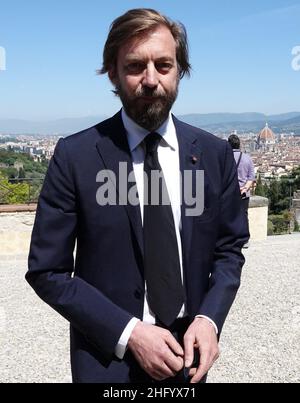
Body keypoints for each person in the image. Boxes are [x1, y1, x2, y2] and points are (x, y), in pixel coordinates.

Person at [26, 8, 249, 383]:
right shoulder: (76, 157)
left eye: (163, 65)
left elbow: (229, 250)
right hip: (106, 360)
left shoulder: (213, 155)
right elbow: (47, 270)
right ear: (112, 72)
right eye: (134, 66)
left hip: (188, 356)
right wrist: (130, 333)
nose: (150, 79)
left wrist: (209, 318)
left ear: (180, 70)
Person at [228, 134, 255, 248]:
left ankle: (230, 239)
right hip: (244, 193)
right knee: (244, 215)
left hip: (229, 193)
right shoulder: (247, 158)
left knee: (229, 215)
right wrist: (244, 188)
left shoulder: (225, 158)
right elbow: (251, 177)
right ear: (239, 144)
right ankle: (244, 240)